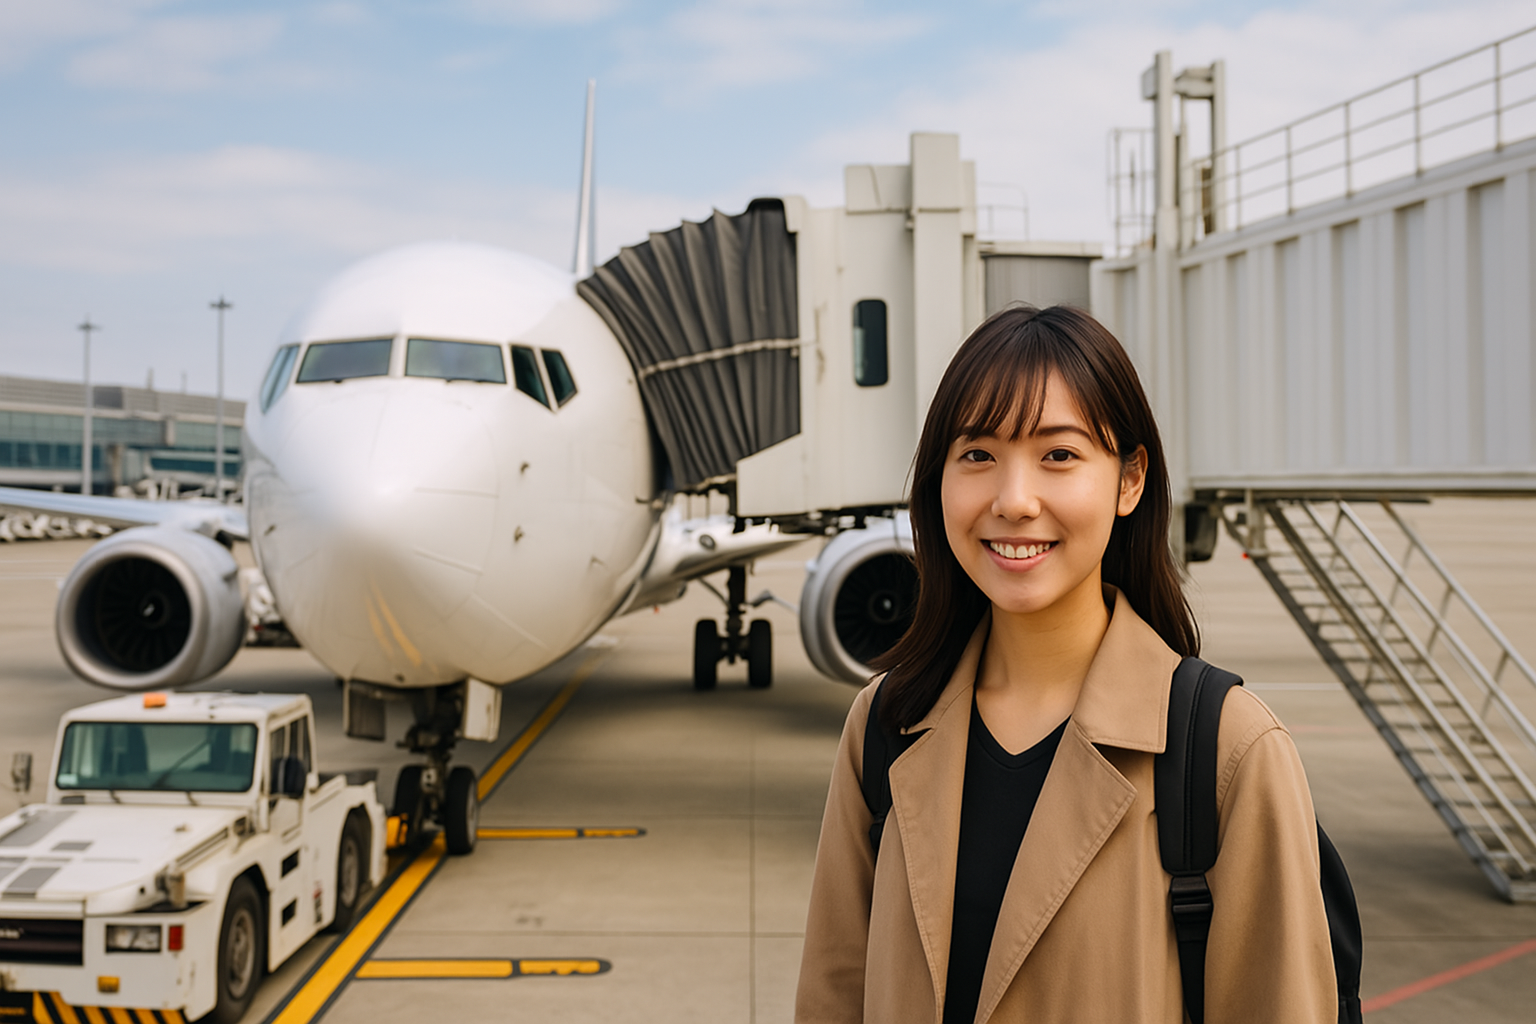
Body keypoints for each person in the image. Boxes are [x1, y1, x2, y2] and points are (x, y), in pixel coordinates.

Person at [795, 305, 1336, 1024]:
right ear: (939, 480)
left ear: (1129, 480)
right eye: (978, 454)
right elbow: (835, 993)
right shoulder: (887, 723)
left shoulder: (1230, 752)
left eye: (1059, 455)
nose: (1014, 501)